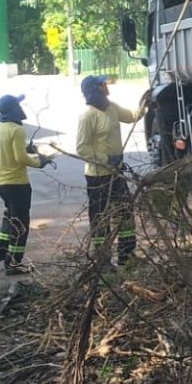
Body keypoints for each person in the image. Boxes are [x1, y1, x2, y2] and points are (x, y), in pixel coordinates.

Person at [76, 75, 147, 268]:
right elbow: (82, 148)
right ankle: (102, 261)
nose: (106, 86)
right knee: (101, 218)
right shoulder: (88, 116)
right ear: (95, 89)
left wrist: (145, 104)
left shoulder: (112, 107)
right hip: (98, 176)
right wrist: (106, 159)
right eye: (102, 84)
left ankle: (127, 255)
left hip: (116, 173)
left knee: (124, 212)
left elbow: (131, 116)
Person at [0, 93, 53, 275]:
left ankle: (1, 250)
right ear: (14, 109)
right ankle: (14, 263)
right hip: (17, 183)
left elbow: (6, 151)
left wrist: (26, 149)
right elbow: (20, 158)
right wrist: (40, 162)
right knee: (20, 224)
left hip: (0, 183)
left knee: (10, 216)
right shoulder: (16, 130)